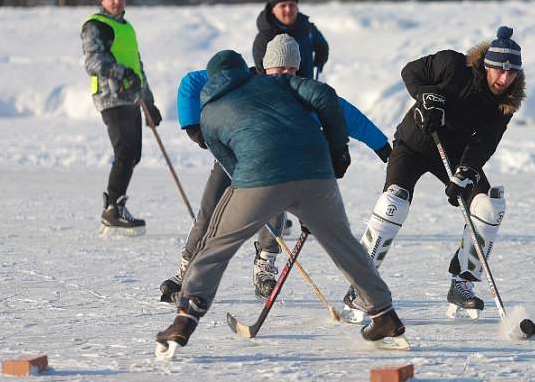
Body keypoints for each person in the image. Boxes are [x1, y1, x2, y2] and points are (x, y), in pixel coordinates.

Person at [155, 50, 405, 353]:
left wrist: (264, 201)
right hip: (317, 173)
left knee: (217, 243)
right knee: (344, 245)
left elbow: (233, 169)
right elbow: (326, 97)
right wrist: (338, 152)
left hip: (260, 179)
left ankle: (186, 316)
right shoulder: (276, 84)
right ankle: (383, 314)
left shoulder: (209, 112)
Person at [342, 26, 525, 321]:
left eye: (511, 73)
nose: (504, 80)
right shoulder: (453, 65)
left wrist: (465, 172)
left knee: (489, 208)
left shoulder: (504, 104)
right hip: (413, 145)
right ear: (486, 64)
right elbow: (410, 72)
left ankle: (462, 283)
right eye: (498, 71)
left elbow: (485, 142)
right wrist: (430, 98)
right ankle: (360, 286)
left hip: (453, 156)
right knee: (394, 203)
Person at [80, 0, 162, 236]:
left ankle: (115, 206)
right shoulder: (96, 25)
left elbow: (138, 68)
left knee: (133, 154)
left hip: (131, 98)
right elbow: (93, 62)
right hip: (111, 97)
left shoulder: (127, 27)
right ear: (102, 0)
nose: (116, 0)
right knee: (125, 151)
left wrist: (149, 101)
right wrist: (121, 73)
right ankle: (112, 209)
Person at [251, 0, 328, 78]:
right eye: (283, 6)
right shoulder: (265, 37)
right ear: (272, 10)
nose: (288, 9)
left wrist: (320, 61)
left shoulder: (307, 27)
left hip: (307, 85)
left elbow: (322, 45)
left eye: (291, 4)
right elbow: (262, 73)